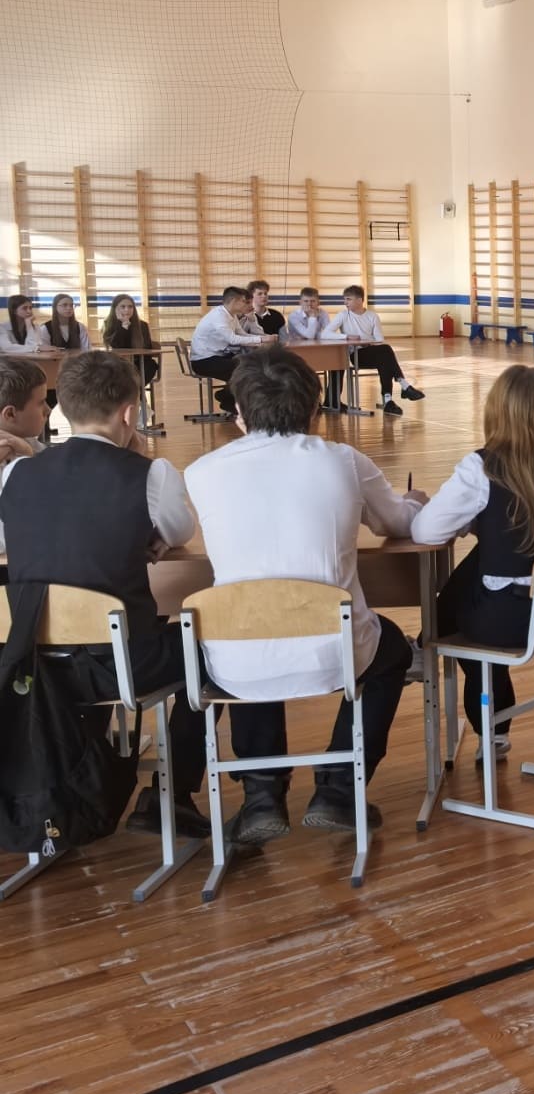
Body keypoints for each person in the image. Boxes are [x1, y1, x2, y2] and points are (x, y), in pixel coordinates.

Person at [182, 348, 426, 841]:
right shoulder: (343, 460)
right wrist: (413, 502)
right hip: (333, 650)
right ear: (315, 407)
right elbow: (395, 523)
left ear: (239, 411)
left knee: (253, 638)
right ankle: (338, 786)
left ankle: (261, 795)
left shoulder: (202, 471)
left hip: (237, 656)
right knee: (393, 651)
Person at [0, 352, 208, 836]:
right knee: (207, 649)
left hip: (35, 664)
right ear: (130, 413)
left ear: (61, 409)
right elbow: (179, 531)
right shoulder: (149, 474)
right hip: (118, 664)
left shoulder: (14, 475)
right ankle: (171, 794)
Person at [411, 365, 534, 756]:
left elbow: (424, 532)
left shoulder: (483, 467)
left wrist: (467, 521)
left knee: (467, 600)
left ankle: (432, 661)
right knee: (488, 560)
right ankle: (490, 723)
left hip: (511, 623)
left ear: (497, 410)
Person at [326, 285, 424, 416]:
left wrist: (366, 342)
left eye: (348, 299)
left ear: (359, 300)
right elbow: (325, 333)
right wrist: (347, 337)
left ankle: (388, 401)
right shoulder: (343, 315)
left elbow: (379, 339)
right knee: (386, 352)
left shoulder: (372, 316)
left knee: (385, 359)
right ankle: (403, 386)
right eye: (344, 299)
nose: (345, 302)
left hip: (371, 351)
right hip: (356, 355)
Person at [188, 286, 275, 414]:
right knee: (242, 369)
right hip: (203, 361)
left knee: (251, 364)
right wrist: (262, 339)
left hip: (218, 356)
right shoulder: (219, 316)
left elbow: (242, 334)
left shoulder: (231, 315)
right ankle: (228, 400)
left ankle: (225, 395)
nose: (247, 304)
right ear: (234, 301)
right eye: (244, 301)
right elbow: (233, 339)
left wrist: (263, 340)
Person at [0, 357, 49, 473]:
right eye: (41, 403)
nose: (48, 410)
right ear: (10, 414)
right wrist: (27, 455)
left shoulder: (25, 439)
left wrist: (29, 452)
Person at [102, 294, 160, 386]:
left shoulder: (142, 325)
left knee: (150, 366)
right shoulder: (109, 324)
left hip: (139, 362)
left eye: (130, 307)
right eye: (123, 307)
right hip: (119, 363)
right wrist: (123, 327)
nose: (127, 310)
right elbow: (116, 346)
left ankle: (135, 391)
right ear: (115, 309)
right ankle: (129, 392)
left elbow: (147, 349)